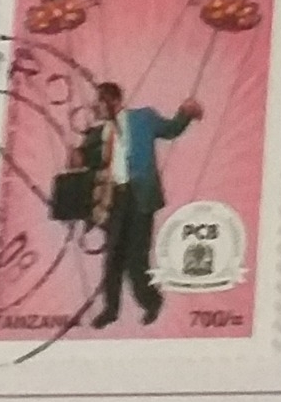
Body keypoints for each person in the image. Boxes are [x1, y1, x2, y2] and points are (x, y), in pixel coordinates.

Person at [76, 80, 202, 327]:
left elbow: (171, 129)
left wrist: (186, 112)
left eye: (100, 101)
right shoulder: (97, 134)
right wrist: (77, 158)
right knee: (113, 259)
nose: (96, 107)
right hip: (115, 200)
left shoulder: (143, 118)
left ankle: (152, 302)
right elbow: (86, 162)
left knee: (136, 260)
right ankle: (111, 310)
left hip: (141, 198)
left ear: (114, 101)